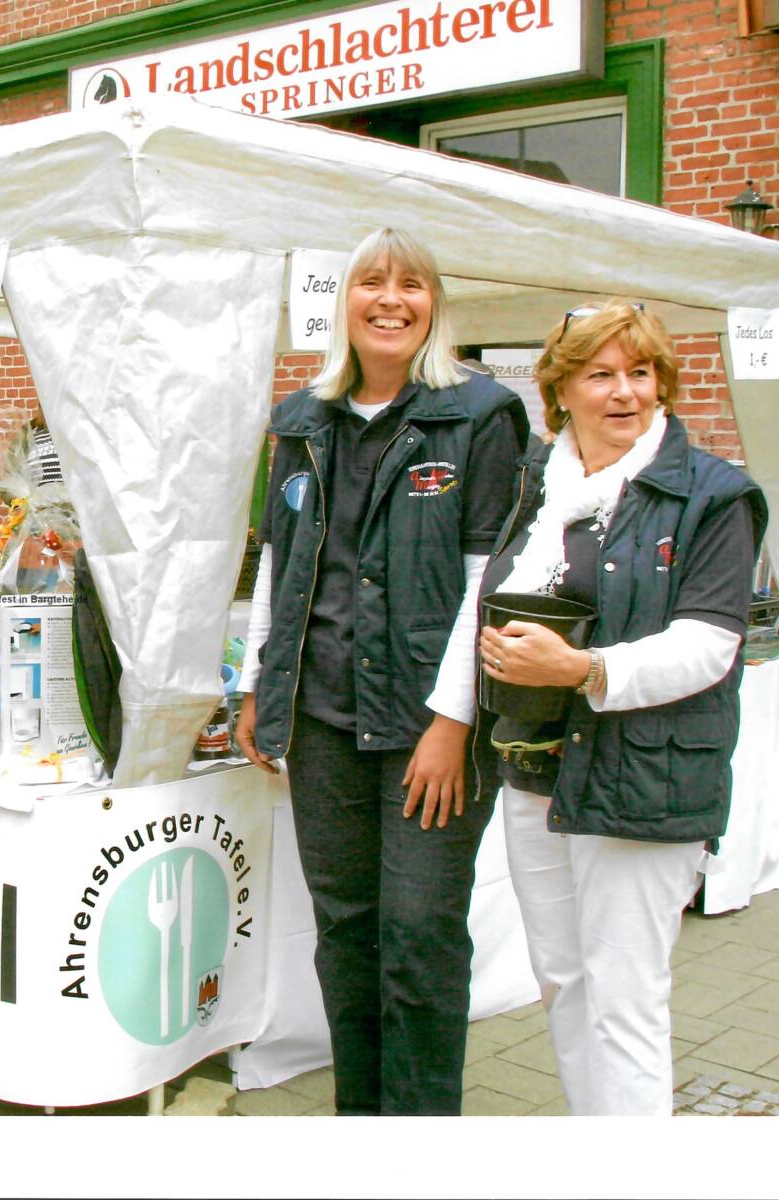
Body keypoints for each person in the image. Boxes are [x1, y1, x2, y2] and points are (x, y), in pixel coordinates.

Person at [233, 228, 529, 1115]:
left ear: (436, 304)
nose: (390, 300)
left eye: (411, 285)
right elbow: (278, 568)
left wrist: (452, 724)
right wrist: (260, 686)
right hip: (324, 718)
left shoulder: (478, 415)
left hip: (430, 729)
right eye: (372, 283)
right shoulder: (302, 422)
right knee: (349, 935)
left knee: (419, 937)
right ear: (344, 303)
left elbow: (490, 582)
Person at [474, 300, 764, 1115]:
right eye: (600, 374)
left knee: (626, 1001)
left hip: (642, 778)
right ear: (560, 390)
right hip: (536, 772)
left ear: (662, 384)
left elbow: (710, 645)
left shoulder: (712, 495)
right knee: (564, 984)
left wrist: (582, 669)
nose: (624, 392)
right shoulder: (537, 487)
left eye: (640, 372)